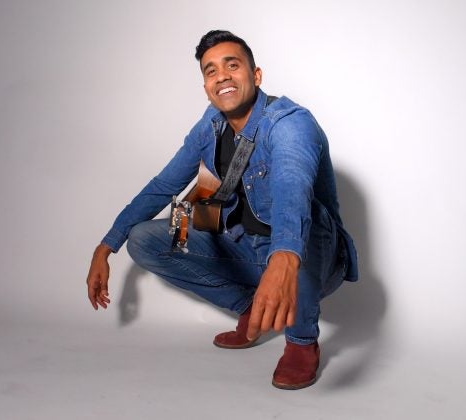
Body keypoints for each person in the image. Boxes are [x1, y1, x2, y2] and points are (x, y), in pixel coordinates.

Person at [86, 30, 358, 390]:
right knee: (144, 238)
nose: (222, 76)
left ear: (256, 75)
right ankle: (250, 306)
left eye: (232, 65)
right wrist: (106, 246)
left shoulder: (290, 123)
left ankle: (302, 341)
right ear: (206, 87)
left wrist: (284, 257)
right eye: (211, 70)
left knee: (304, 220)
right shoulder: (210, 124)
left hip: (309, 256)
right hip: (246, 248)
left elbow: (292, 190)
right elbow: (164, 186)